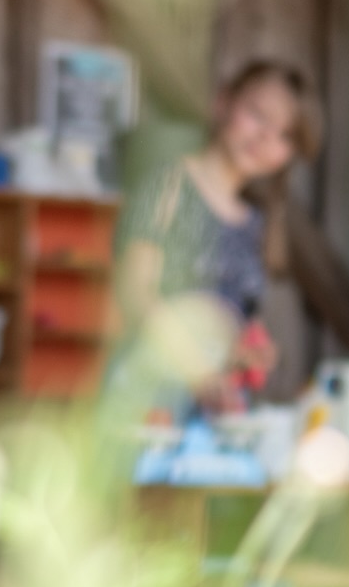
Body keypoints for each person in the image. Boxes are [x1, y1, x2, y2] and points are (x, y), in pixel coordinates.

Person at [116, 60, 320, 413]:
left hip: (211, 413)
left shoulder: (255, 222)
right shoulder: (168, 186)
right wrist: (196, 370)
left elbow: (228, 325)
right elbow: (134, 292)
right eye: (258, 114)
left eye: (285, 135)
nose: (265, 138)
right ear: (224, 102)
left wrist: (247, 351)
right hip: (145, 402)